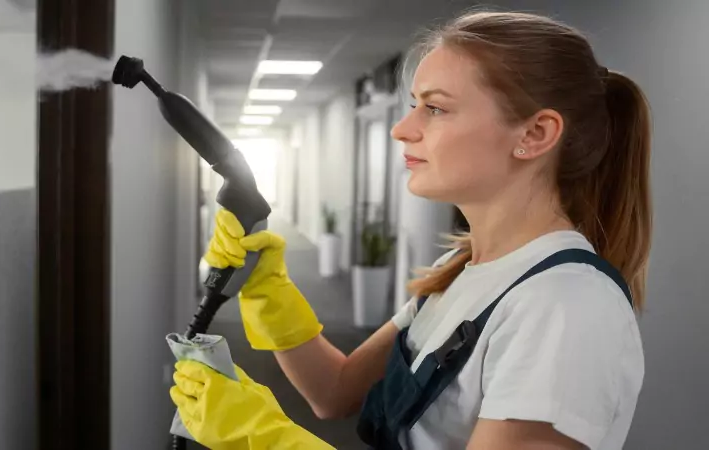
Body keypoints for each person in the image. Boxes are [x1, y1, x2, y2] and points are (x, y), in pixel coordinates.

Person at [169, 10, 652, 450]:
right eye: (414, 105)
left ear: (534, 134)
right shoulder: (461, 268)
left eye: (435, 108)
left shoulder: (565, 307)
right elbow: (334, 392)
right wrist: (267, 288)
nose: (402, 129)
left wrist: (267, 439)